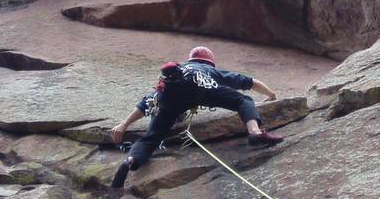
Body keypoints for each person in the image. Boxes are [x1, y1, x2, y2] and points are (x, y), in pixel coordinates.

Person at [109, 46, 283, 189]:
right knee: (243, 100)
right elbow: (251, 82)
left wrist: (123, 125)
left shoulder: (173, 76)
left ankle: (130, 161)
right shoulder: (207, 69)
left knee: (150, 139)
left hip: (169, 99)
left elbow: (147, 103)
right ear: (210, 62)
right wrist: (271, 94)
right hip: (201, 90)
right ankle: (255, 132)